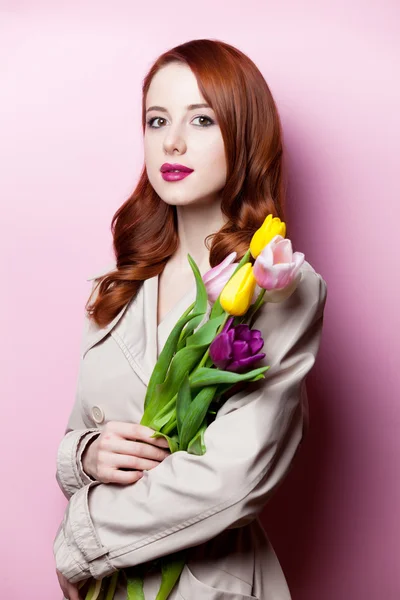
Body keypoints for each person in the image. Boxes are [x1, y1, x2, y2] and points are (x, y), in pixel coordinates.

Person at [53, 38, 328, 600]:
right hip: (111, 583)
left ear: (244, 132)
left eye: (201, 119)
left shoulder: (277, 282)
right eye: (157, 120)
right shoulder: (117, 284)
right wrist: (86, 454)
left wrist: (81, 542)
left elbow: (236, 474)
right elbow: (81, 430)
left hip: (207, 584)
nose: (172, 141)